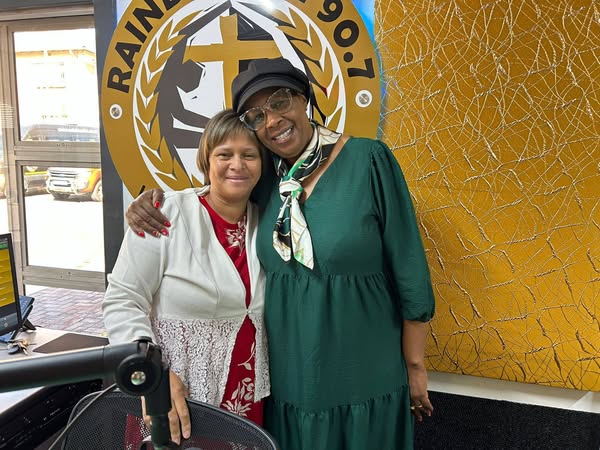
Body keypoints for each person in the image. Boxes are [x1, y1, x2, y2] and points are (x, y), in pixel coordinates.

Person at [126, 57, 435, 450]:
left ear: (305, 99)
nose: (272, 120)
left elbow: (410, 270)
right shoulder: (264, 179)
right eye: (256, 115)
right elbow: (212, 194)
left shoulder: (368, 161)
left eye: (280, 101)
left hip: (363, 373)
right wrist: (151, 202)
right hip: (290, 381)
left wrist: (415, 367)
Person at [103, 109, 270, 445]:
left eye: (249, 155)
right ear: (206, 160)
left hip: (245, 399)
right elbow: (123, 300)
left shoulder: (266, 221)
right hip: (173, 397)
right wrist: (152, 374)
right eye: (225, 154)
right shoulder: (165, 214)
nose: (237, 164)